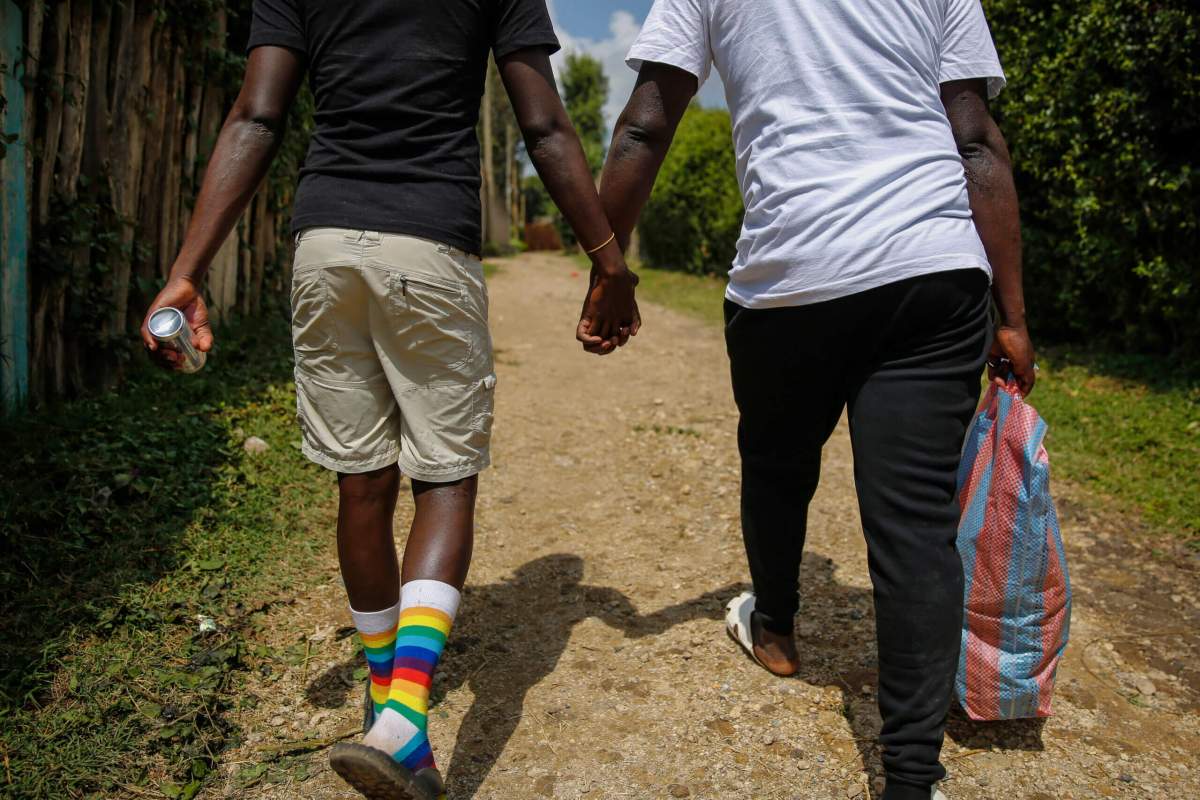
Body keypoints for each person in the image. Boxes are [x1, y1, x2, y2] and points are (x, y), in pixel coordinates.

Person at [140, 1, 639, 797]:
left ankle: (382, 698)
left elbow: (256, 117)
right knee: (444, 479)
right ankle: (404, 718)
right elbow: (543, 124)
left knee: (362, 481)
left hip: (324, 246)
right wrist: (608, 259)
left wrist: (186, 271)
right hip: (427, 241)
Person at [596, 1, 1036, 798]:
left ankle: (777, 627)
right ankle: (911, 780)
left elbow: (645, 125)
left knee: (777, 462)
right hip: (933, 266)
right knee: (913, 526)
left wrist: (607, 264)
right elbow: (973, 137)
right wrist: (1013, 315)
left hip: (790, 278)